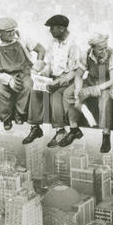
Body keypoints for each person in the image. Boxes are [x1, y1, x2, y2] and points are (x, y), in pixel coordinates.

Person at [22, 15, 81, 147]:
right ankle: (35, 127)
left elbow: (74, 71)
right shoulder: (53, 43)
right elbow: (48, 64)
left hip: (67, 80)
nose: (50, 31)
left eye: (52, 28)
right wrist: (40, 75)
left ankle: (60, 131)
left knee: (55, 96)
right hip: (53, 78)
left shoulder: (74, 44)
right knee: (36, 91)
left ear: (61, 28)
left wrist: (59, 82)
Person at [62, 32, 113, 152]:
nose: (104, 51)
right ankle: (74, 129)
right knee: (69, 93)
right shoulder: (86, 55)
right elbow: (79, 75)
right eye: (100, 49)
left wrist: (94, 90)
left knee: (105, 99)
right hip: (91, 81)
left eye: (105, 47)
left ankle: (106, 134)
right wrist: (78, 91)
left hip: (105, 84)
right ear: (92, 48)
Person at [0, 17, 46, 131]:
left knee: (28, 86)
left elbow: (41, 50)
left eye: (13, 30)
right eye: (8, 31)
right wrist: (8, 80)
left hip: (24, 72)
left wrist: (36, 68)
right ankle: (6, 118)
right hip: (5, 75)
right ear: (0, 32)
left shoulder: (22, 38)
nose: (12, 33)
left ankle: (20, 113)